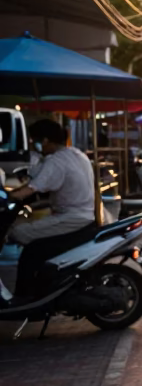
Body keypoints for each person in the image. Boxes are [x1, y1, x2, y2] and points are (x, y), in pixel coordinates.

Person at [7, 119, 97, 295]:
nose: (35, 145)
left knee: (18, 233)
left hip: (71, 218)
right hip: (83, 216)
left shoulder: (56, 161)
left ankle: (25, 296)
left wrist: (7, 197)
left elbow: (30, 189)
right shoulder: (78, 154)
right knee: (34, 243)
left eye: (35, 141)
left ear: (46, 140)